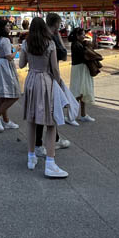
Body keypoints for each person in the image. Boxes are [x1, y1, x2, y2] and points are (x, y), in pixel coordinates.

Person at [20, 17, 68, 178]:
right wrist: (59, 83)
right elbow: (54, 68)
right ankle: (50, 162)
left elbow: (21, 64)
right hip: (46, 82)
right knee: (51, 121)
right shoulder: (50, 44)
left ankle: (31, 157)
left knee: (32, 121)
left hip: (31, 80)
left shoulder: (26, 44)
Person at [34, 13, 70, 153]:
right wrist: (58, 80)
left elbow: (24, 62)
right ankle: (48, 144)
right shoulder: (51, 40)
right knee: (50, 111)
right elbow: (63, 56)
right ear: (56, 23)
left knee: (40, 111)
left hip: (34, 78)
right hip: (48, 78)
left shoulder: (33, 39)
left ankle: (40, 143)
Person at [0, 19, 21, 132]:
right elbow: (10, 57)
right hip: (5, 66)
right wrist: (17, 49)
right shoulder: (6, 40)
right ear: (3, 28)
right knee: (15, 94)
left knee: (3, 95)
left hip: (0, 64)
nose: (9, 27)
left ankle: (6, 120)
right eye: (7, 26)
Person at [69, 28, 101, 123]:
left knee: (82, 92)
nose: (84, 36)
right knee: (78, 93)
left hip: (81, 69)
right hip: (79, 69)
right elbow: (86, 55)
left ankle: (82, 114)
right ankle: (71, 116)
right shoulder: (76, 45)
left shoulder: (79, 44)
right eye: (82, 34)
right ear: (77, 36)